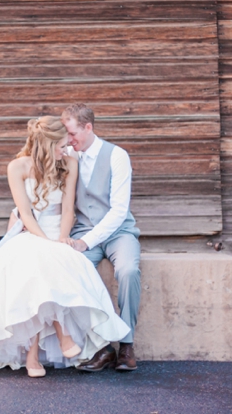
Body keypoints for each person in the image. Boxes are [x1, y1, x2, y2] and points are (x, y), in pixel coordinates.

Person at [0, 116, 130, 378]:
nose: (68, 149)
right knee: (36, 266)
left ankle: (33, 356)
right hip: (30, 231)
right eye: (62, 145)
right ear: (47, 145)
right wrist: (44, 242)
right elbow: (26, 215)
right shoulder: (17, 167)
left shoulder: (69, 163)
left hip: (57, 232)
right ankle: (61, 337)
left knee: (49, 266)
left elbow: (67, 211)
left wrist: (61, 241)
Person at [61, 103, 142, 372]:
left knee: (129, 271)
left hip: (118, 232)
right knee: (70, 270)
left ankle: (126, 345)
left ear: (88, 127)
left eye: (73, 134)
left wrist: (88, 241)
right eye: (66, 134)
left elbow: (119, 210)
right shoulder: (68, 156)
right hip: (83, 229)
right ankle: (102, 347)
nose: (69, 140)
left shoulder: (117, 156)